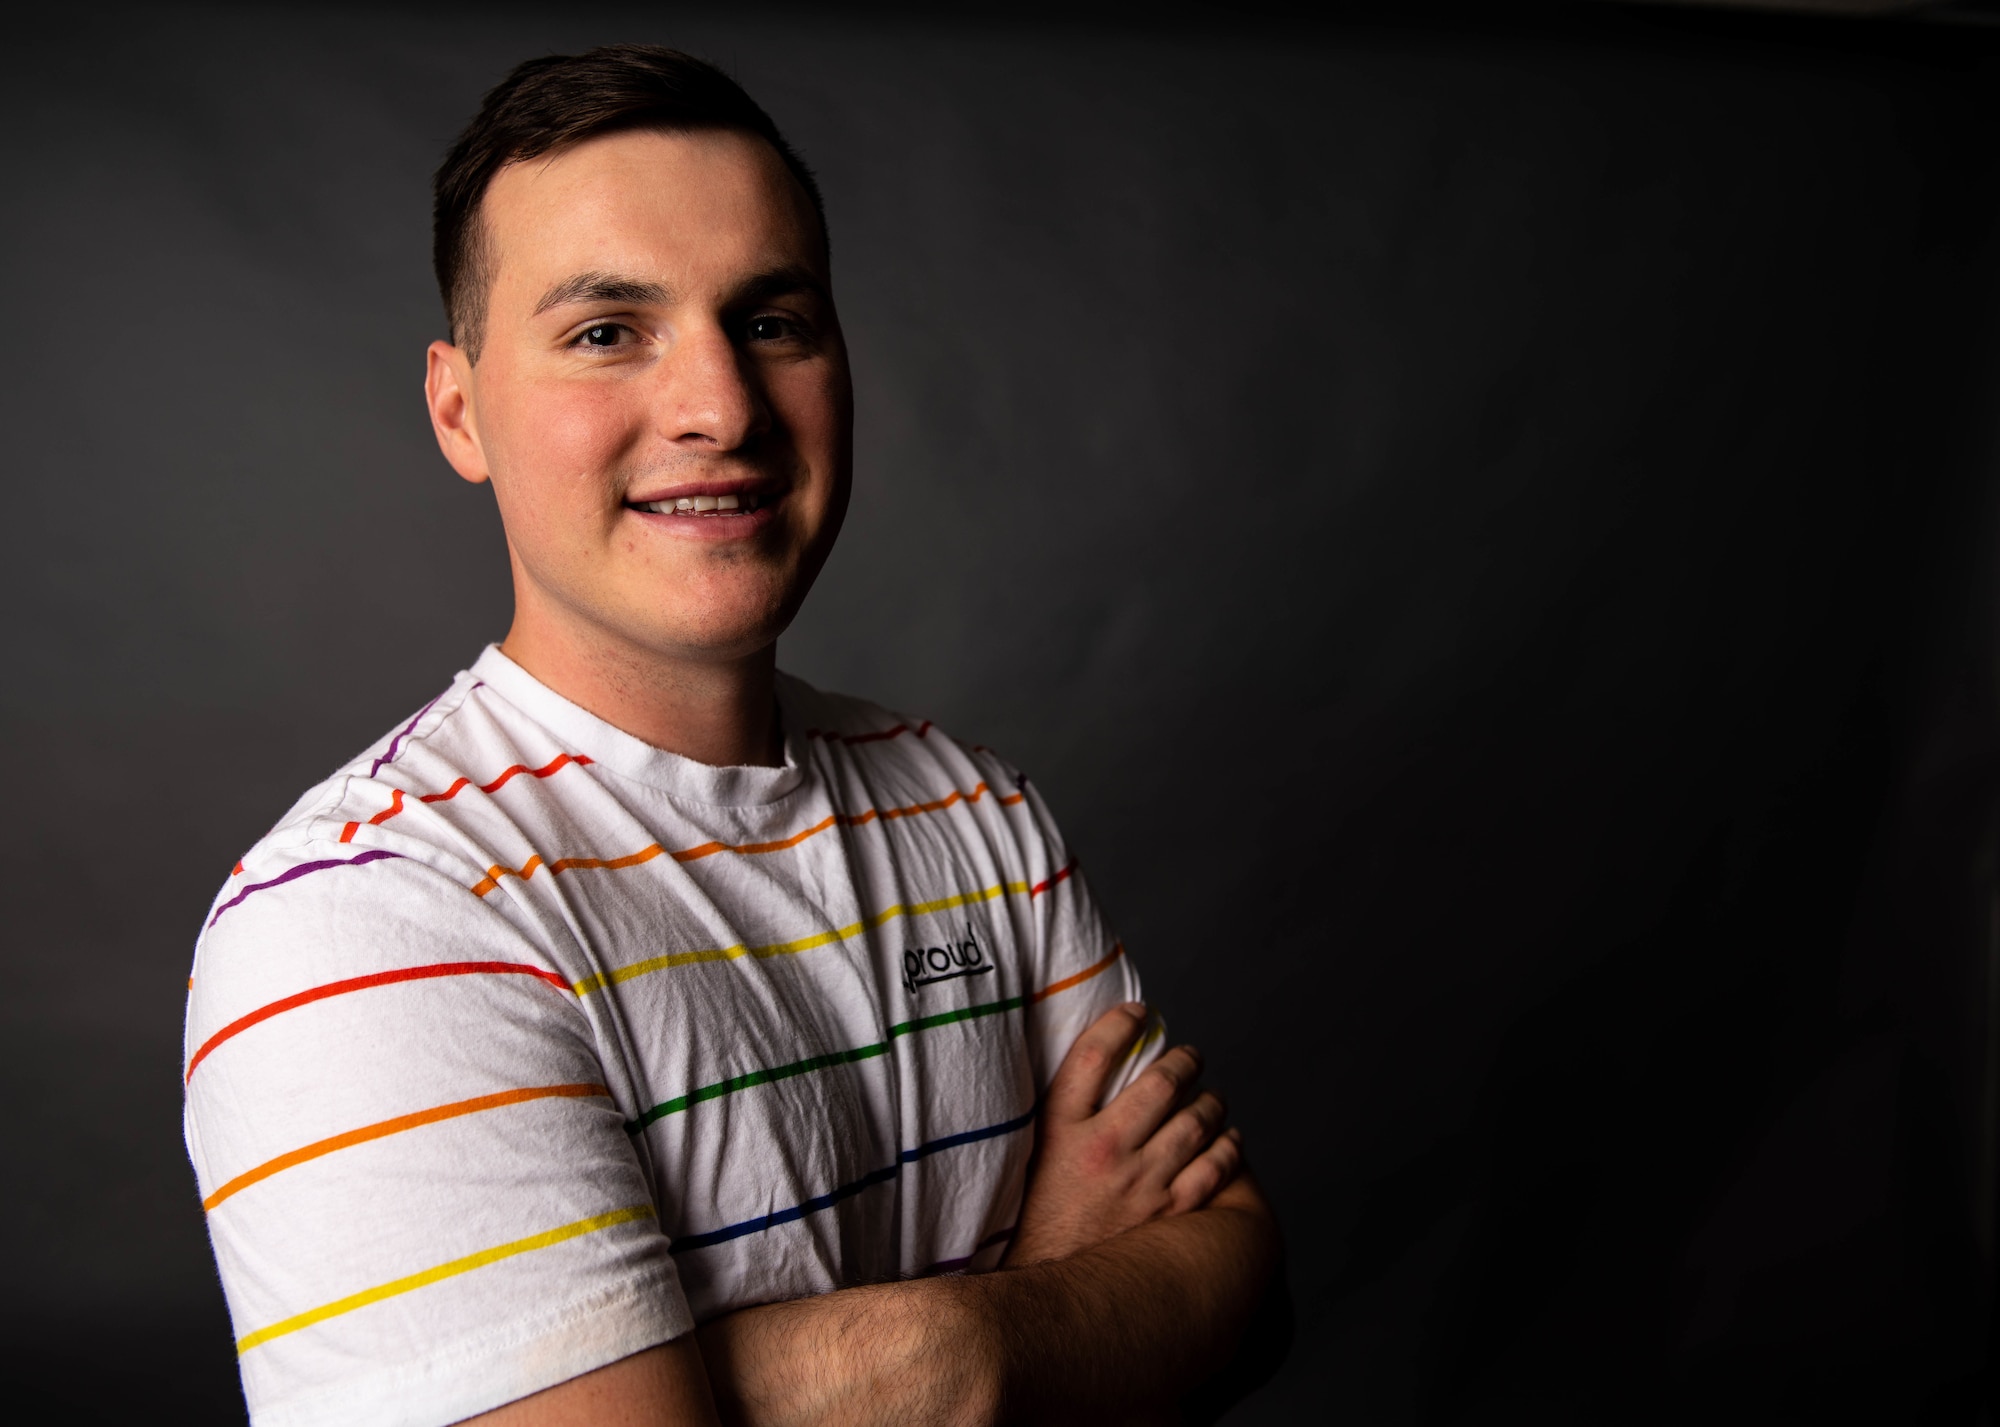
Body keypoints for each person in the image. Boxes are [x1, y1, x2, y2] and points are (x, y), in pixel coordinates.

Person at [183, 44, 1280, 1427]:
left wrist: (936, 1357)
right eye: (606, 331)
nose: (722, 408)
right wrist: (1021, 1312)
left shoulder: (978, 813)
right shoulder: (365, 922)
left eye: (771, 320)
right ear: (459, 409)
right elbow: (1133, 1314)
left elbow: (1238, 1285)